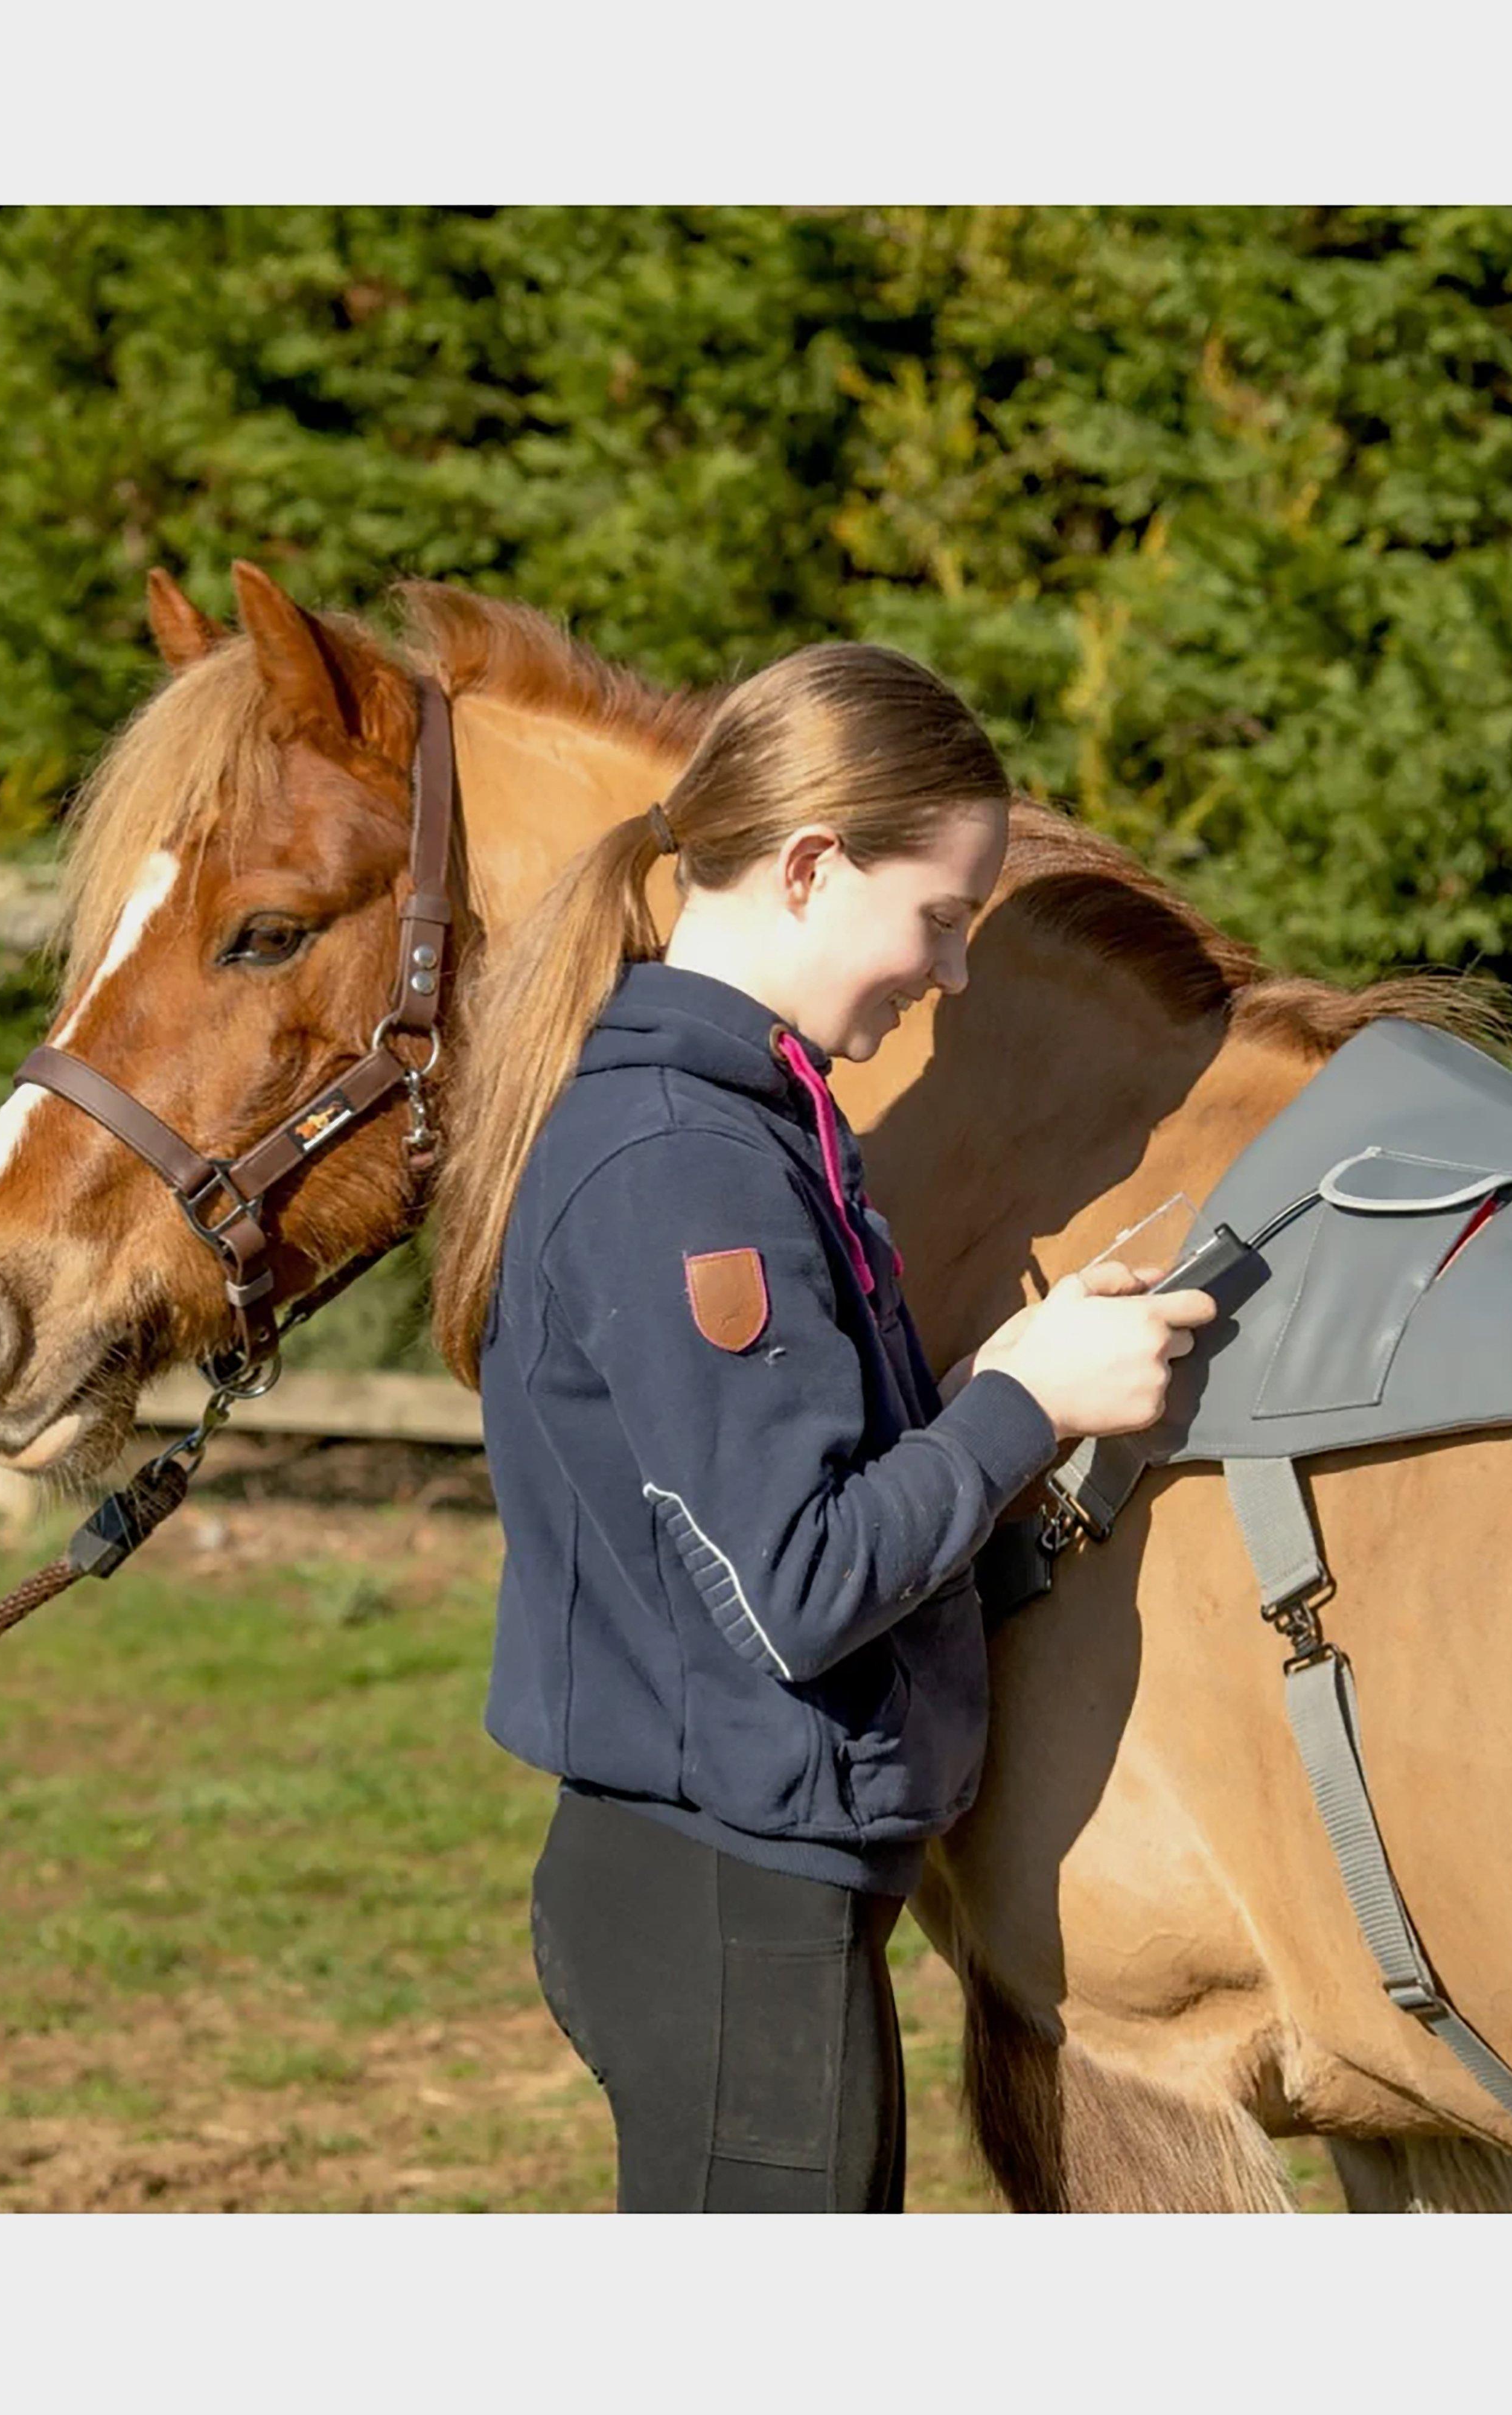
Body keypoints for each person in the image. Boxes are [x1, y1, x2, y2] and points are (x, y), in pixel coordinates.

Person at [429, 641, 1214, 2213]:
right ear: (806, 867)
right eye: (938, 918)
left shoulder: (754, 1122)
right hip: (731, 1909)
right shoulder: (686, 1165)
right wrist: (1029, 1399)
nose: (951, 973)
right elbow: (798, 1583)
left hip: (750, 1890)